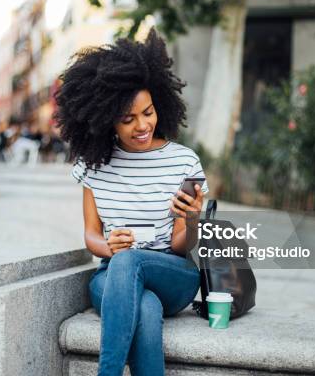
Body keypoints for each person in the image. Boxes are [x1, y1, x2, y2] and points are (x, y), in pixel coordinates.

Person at [54, 28, 209, 376]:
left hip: (172, 272)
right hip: (111, 276)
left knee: (131, 265)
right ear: (107, 120)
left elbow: (181, 245)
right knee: (145, 306)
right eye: (128, 119)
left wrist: (194, 219)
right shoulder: (94, 166)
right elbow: (91, 235)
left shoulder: (183, 162)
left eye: (148, 112)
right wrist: (108, 246)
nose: (143, 125)